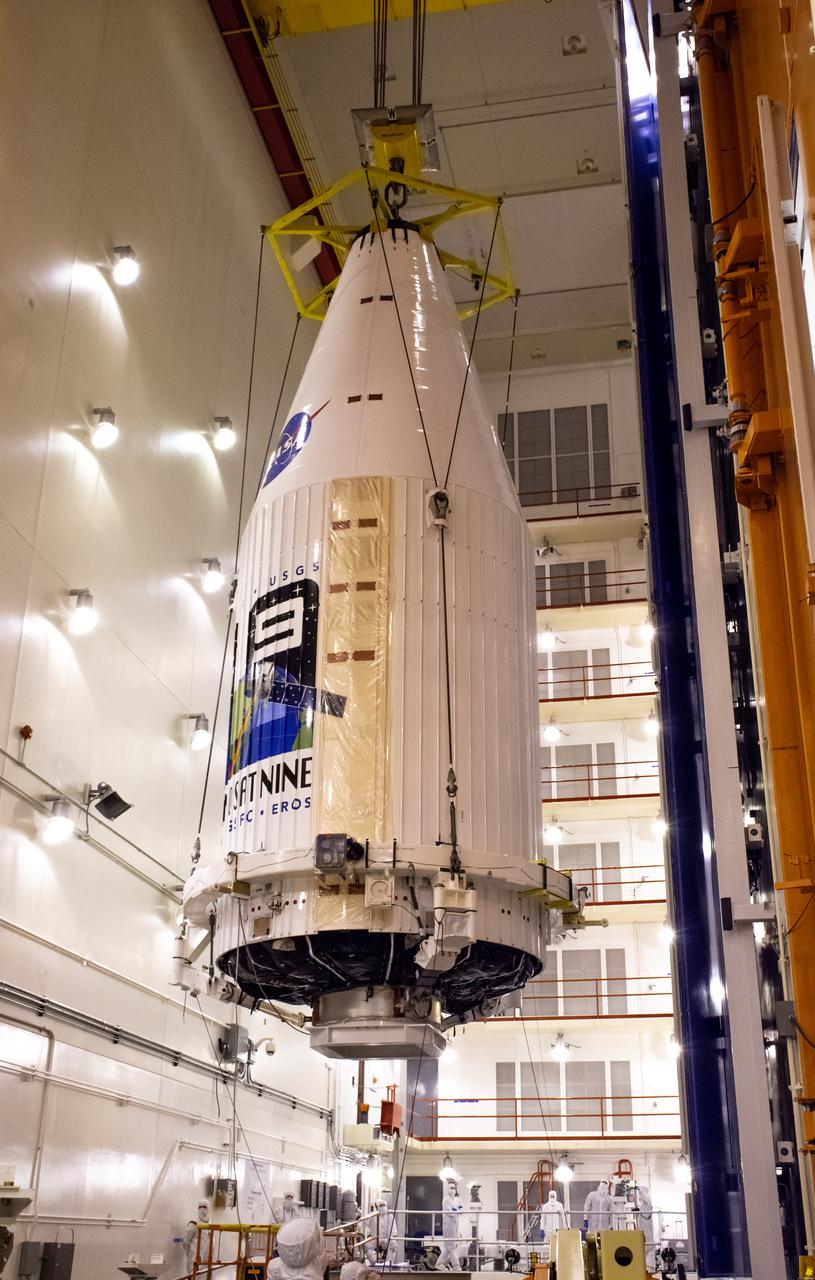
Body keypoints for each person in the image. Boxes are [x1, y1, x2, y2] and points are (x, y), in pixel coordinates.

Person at [438, 1179, 464, 1269]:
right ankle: (456, 1266)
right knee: (450, 1246)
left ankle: (439, 1264)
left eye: (454, 1188)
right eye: (451, 1188)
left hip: (455, 1225)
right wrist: (456, 1211)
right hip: (448, 1226)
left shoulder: (455, 1200)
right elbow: (449, 1213)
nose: (452, 1190)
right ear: (447, 1189)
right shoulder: (446, 1200)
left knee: (449, 1247)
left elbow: (461, 1209)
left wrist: (457, 1210)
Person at [365, 1199, 397, 1264]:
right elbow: (364, 1221)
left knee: (393, 1245)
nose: (382, 1207)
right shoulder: (373, 1216)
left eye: (383, 1205)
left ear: (386, 1206)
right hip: (375, 1239)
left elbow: (393, 1231)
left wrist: (391, 1238)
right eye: (380, 1205)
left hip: (386, 1239)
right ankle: (374, 1262)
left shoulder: (390, 1217)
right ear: (377, 1207)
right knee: (366, 1245)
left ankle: (388, 1263)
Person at [633, 1184, 656, 1268]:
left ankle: (650, 1269)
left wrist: (639, 1189)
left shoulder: (648, 1203)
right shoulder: (641, 1205)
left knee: (649, 1249)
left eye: (641, 1194)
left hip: (648, 1233)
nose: (640, 1196)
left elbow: (647, 1199)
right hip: (641, 1232)